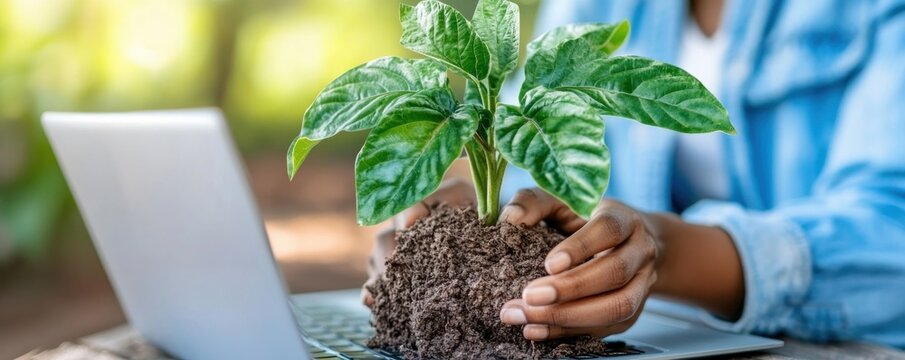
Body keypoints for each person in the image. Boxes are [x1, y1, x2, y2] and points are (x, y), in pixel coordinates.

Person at [364, 0, 905, 348]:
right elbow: (540, 168)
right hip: (660, 335)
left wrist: (662, 251)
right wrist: (462, 223)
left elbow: (891, 229)